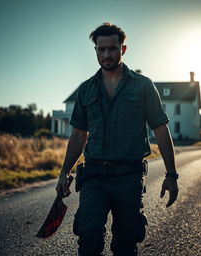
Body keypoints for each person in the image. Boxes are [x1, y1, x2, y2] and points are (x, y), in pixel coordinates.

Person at [56, 22, 179, 256]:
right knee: (89, 238)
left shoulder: (143, 86)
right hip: (94, 177)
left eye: (112, 48)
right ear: (95, 50)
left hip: (128, 177)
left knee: (125, 243)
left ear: (123, 49)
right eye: (100, 49)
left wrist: (171, 175)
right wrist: (64, 172)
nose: (106, 54)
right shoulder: (86, 90)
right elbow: (78, 135)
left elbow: (161, 130)